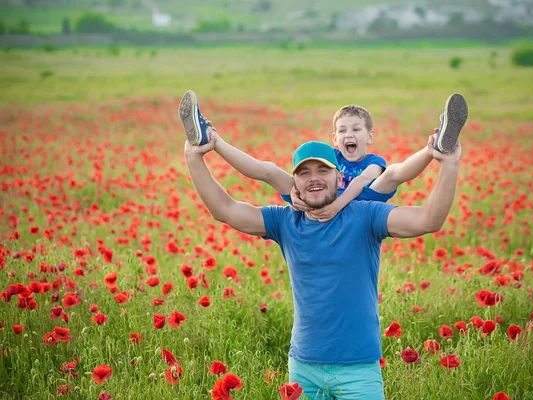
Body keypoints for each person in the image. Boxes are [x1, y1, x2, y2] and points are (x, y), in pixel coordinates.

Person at [184, 127, 461, 399]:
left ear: (339, 177)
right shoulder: (285, 222)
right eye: (304, 173)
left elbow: (428, 220)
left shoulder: (365, 216)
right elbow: (225, 209)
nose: (313, 179)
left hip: (358, 371)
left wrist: (449, 164)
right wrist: (193, 157)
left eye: (323, 171)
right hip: (304, 369)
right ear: (295, 183)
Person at [179, 90, 467, 222]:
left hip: (362, 199)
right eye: (342, 131)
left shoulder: (371, 163)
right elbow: (306, 177)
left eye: (356, 129)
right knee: (268, 170)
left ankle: (435, 148)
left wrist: (335, 207)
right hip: (321, 199)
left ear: (370, 137)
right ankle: (213, 140)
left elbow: (356, 186)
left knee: (392, 173)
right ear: (334, 139)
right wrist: (297, 195)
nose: (348, 135)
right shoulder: (329, 160)